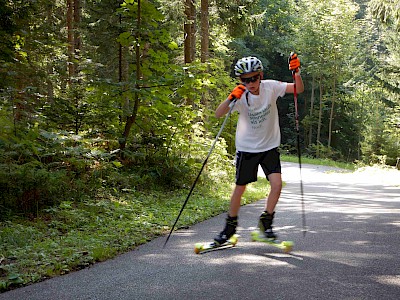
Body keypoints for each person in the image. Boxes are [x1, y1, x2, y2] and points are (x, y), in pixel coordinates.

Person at [213, 53, 304, 244]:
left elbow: (298, 89)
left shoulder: (270, 87)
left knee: (277, 185)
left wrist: (296, 72)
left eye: (254, 78)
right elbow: (218, 114)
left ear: (260, 75)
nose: (250, 83)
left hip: (269, 146)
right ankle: (229, 229)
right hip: (247, 149)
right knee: (240, 189)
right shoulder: (239, 96)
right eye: (245, 80)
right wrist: (230, 98)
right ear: (240, 80)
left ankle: (266, 224)